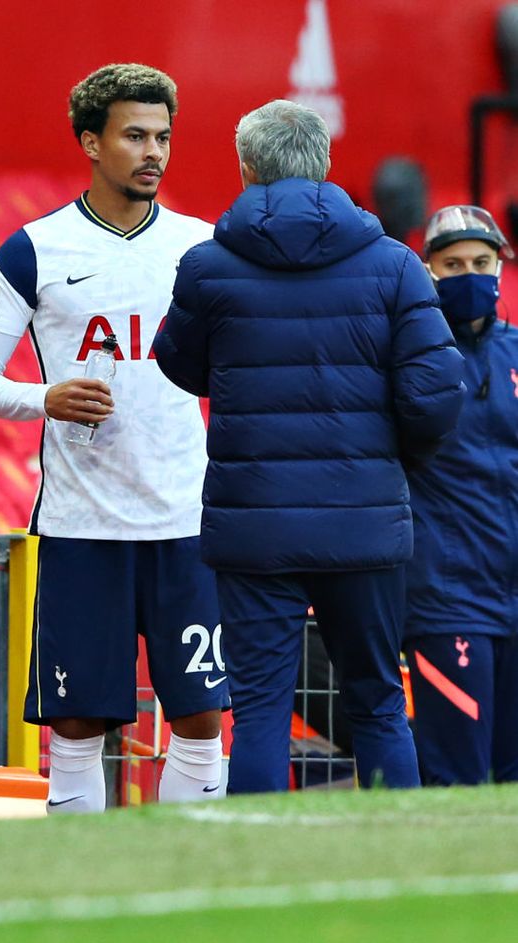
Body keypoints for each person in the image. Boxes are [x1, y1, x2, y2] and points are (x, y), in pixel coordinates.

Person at [154, 99, 465, 794]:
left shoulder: (206, 266)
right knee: (379, 700)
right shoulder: (394, 265)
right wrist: (391, 462)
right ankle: (397, 872)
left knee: (260, 708)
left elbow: (177, 363)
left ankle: (262, 879)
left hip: (254, 522)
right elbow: (438, 394)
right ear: (324, 165)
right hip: (365, 518)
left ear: (247, 168)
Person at [0, 63, 229, 813]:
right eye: (135, 135)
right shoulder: (33, 251)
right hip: (83, 527)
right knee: (77, 730)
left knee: (201, 723)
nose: (154, 153)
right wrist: (45, 396)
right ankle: (82, 889)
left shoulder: (204, 248)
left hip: (186, 523)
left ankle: (187, 892)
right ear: (90, 141)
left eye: (164, 137)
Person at [402, 204, 518, 786]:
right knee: (459, 780)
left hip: (513, 596)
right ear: (428, 270)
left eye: (481, 261)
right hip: (447, 600)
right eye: (453, 264)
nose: (469, 274)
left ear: (502, 266)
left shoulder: (517, 352)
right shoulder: (407, 358)